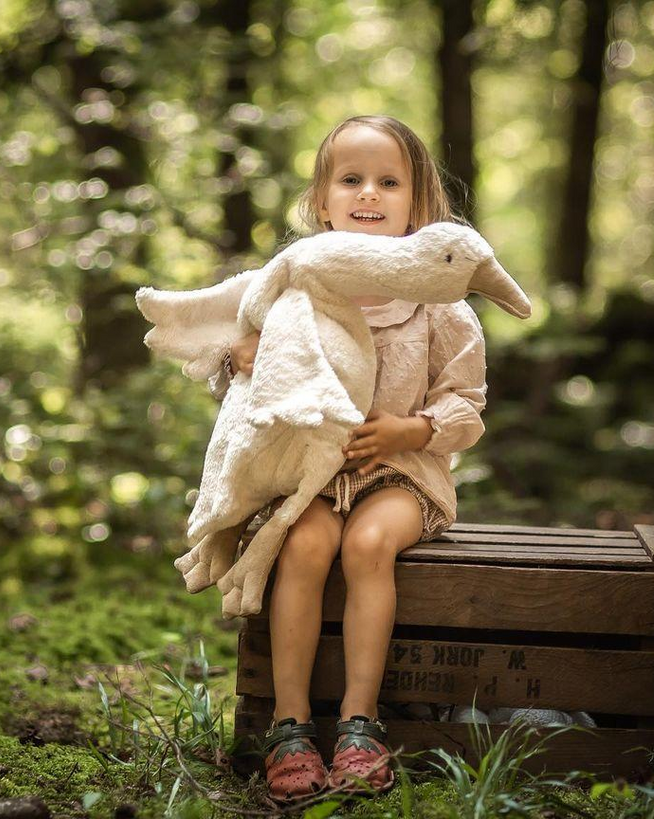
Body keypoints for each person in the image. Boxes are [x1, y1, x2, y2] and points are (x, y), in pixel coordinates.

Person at [208, 115, 488, 802]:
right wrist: (241, 358)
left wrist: (412, 430)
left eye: (390, 182)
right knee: (303, 547)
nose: (370, 192)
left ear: (418, 204)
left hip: (402, 474)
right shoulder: (298, 291)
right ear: (321, 201)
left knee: (367, 544)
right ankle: (290, 725)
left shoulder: (437, 300)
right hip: (314, 477)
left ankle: (361, 724)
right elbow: (241, 379)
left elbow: (467, 407)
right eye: (352, 179)